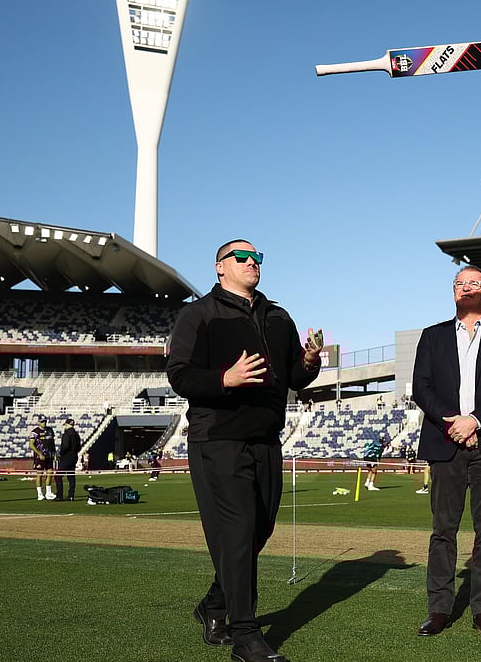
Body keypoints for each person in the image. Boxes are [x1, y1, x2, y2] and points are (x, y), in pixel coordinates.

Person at [167, 239, 322, 662]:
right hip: (218, 439)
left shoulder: (278, 315)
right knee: (236, 533)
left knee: (257, 532)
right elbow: (179, 375)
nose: (253, 263)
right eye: (243, 257)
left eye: (258, 258)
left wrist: (309, 362)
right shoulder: (198, 315)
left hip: (266, 440)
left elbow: (294, 376)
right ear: (220, 267)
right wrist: (225, 379)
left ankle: (215, 605)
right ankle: (245, 638)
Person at [411, 265, 481, 637]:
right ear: (453, 292)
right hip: (445, 444)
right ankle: (439, 609)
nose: (466, 287)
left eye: (474, 283)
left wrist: (474, 421)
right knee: (443, 531)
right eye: (459, 283)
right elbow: (421, 388)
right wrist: (452, 423)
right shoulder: (432, 336)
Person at [55, 418, 81, 501]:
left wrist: (61, 454)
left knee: (58, 476)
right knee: (71, 476)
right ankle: (71, 495)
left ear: (67, 425)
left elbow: (65, 446)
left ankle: (59, 495)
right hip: (74, 456)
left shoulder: (67, 434)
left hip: (67, 457)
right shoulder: (76, 434)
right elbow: (79, 447)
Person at [29, 422, 57, 501]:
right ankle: (40, 494)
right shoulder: (35, 432)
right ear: (38, 422)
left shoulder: (50, 430)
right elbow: (31, 445)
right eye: (41, 421)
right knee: (39, 474)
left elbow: (52, 443)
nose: (43, 423)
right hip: (39, 457)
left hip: (49, 455)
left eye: (44, 421)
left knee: (50, 473)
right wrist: (39, 453)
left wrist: (54, 454)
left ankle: (48, 492)